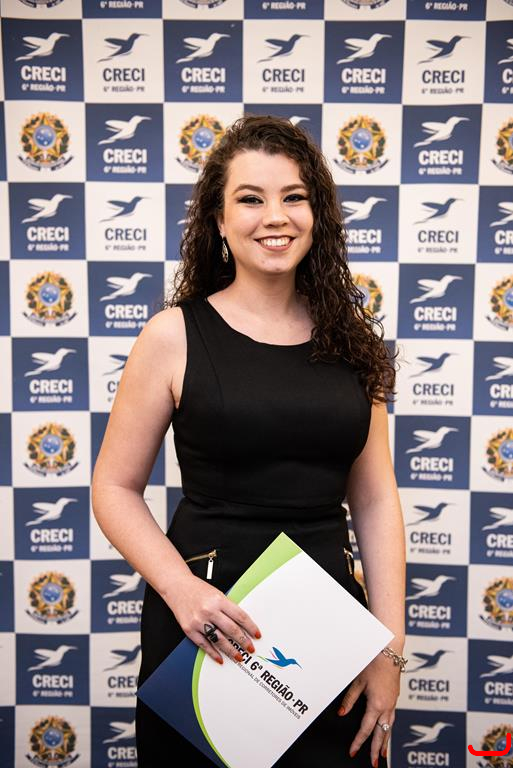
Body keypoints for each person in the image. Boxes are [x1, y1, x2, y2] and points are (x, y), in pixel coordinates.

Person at [91, 114, 406, 768]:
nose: (276, 217)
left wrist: (388, 647)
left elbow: (376, 501)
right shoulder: (172, 335)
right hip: (206, 622)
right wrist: (181, 591)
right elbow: (114, 488)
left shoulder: (355, 345)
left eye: (294, 196)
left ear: (317, 214)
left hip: (328, 633)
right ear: (218, 220)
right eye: (250, 199)